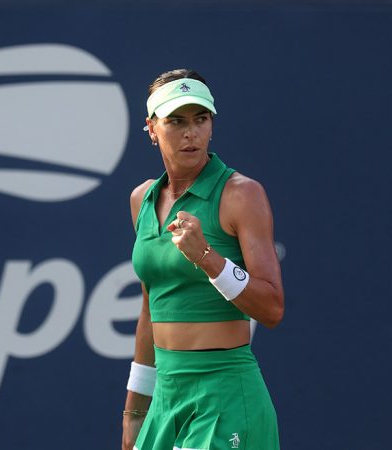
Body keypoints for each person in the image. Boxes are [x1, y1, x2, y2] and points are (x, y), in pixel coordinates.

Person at [121, 69, 284, 450]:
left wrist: (208, 258)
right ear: (151, 129)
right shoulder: (140, 200)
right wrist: (134, 413)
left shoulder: (242, 194)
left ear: (212, 125)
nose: (190, 132)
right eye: (176, 121)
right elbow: (150, 309)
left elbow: (272, 307)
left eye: (200, 119)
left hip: (226, 393)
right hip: (166, 397)